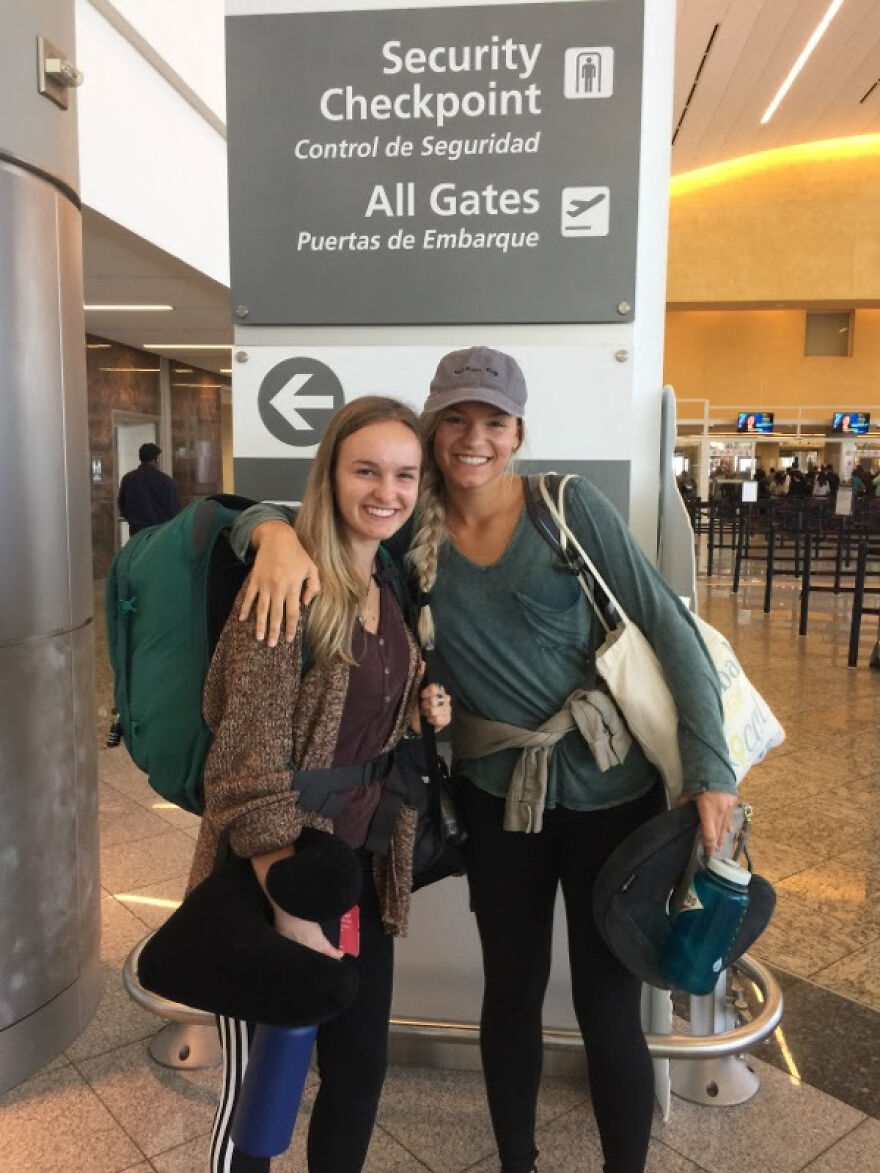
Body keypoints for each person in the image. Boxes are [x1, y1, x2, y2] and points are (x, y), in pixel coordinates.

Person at [231, 348, 738, 1173]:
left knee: (608, 1002)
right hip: (498, 799)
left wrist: (711, 769)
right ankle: (518, 1163)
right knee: (510, 993)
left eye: (492, 422)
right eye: (456, 420)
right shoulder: (408, 529)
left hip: (613, 794)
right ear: (433, 431)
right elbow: (289, 512)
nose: (474, 438)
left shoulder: (565, 506)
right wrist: (269, 531)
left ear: (517, 432)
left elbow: (668, 625)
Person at [188, 396, 450, 1173]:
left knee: (359, 1072)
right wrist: (291, 905)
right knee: (258, 1100)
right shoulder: (284, 592)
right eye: (365, 469)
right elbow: (242, 768)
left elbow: (362, 717)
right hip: (271, 883)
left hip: (357, 880)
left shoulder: (390, 584)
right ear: (330, 474)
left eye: (404, 474)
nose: (386, 490)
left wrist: (419, 705)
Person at [117, 442, 180, 534]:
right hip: (159, 531)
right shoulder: (164, 481)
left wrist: (132, 519)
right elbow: (173, 509)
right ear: (156, 459)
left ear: (140, 458)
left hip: (136, 531)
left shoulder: (128, 479)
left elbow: (122, 505)